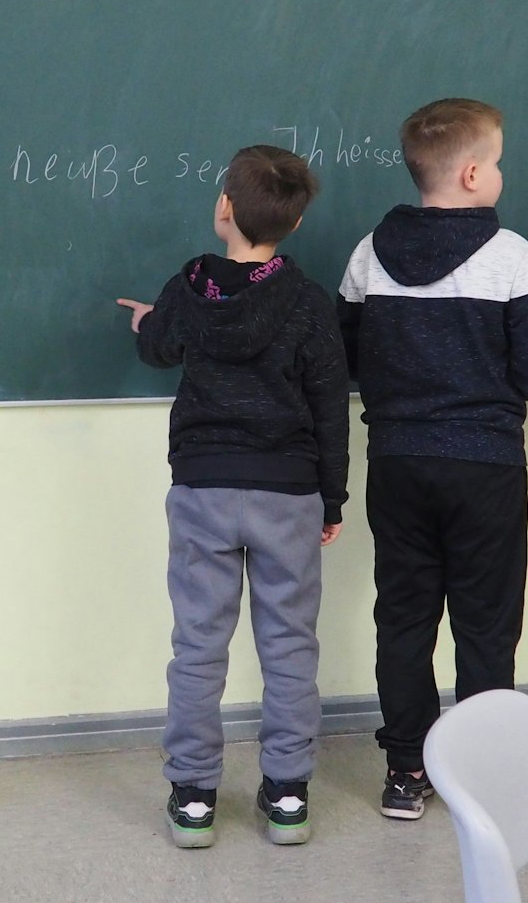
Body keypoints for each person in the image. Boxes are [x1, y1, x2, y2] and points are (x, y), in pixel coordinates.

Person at [337, 98, 528, 820]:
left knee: (403, 618)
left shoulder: (369, 253)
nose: (499, 173)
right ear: (471, 173)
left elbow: (346, 354)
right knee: (486, 622)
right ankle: (483, 774)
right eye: (496, 162)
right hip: (486, 468)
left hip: (399, 462)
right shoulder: (512, 257)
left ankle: (407, 771)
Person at [116, 145, 349, 848]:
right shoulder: (308, 301)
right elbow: (330, 402)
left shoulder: (191, 288)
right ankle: (285, 792)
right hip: (288, 493)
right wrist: (331, 500)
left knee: (198, 646)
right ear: (298, 221)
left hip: (205, 488)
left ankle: (192, 795)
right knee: (289, 647)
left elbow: (157, 345)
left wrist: (143, 322)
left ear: (224, 209)